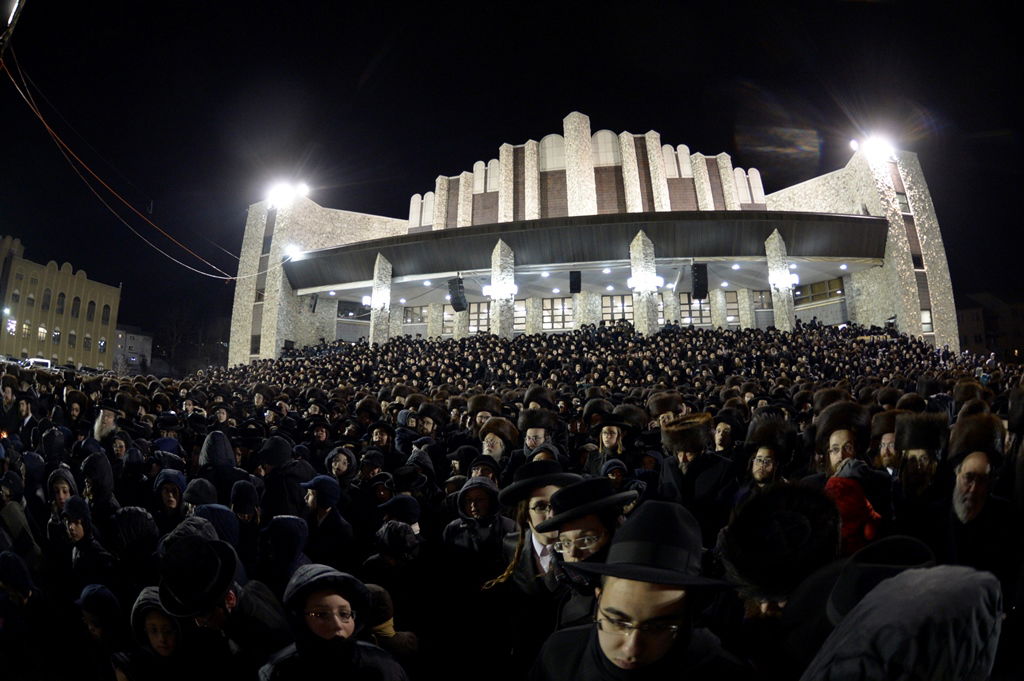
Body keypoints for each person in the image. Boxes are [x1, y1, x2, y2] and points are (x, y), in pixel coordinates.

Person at [530, 501, 748, 680]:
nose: (631, 648)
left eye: (657, 627)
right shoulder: (559, 656)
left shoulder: (726, 673)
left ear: (686, 619)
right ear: (599, 598)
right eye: (616, 621)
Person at [259, 563, 408, 680]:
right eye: (321, 614)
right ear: (300, 620)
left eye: (344, 614)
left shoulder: (382, 666)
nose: (337, 624)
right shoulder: (277, 672)